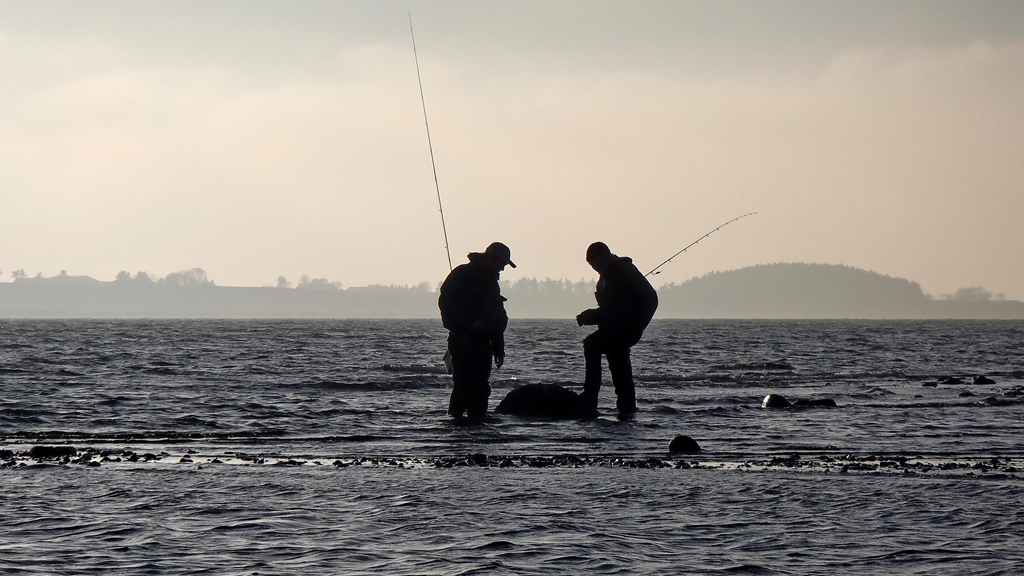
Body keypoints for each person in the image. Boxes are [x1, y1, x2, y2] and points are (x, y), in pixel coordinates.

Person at [576, 242, 658, 415]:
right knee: (618, 364)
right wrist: (593, 316)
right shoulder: (606, 277)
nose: (594, 267)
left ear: (605, 257)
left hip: (624, 330)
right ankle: (626, 407)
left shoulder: (623, 272)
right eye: (591, 265)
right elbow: (609, 310)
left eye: (595, 263)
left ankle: (590, 398)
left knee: (592, 344)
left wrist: (634, 326)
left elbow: (648, 299)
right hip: (614, 329)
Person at [438, 242, 515, 421]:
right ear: (493, 259)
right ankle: (469, 424)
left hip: (473, 341)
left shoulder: (475, 277)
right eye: (502, 264)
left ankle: (463, 424)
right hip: (468, 341)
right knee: (470, 387)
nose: (503, 269)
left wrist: (498, 348)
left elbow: (495, 317)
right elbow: (495, 317)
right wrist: (462, 329)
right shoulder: (476, 278)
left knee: (471, 387)